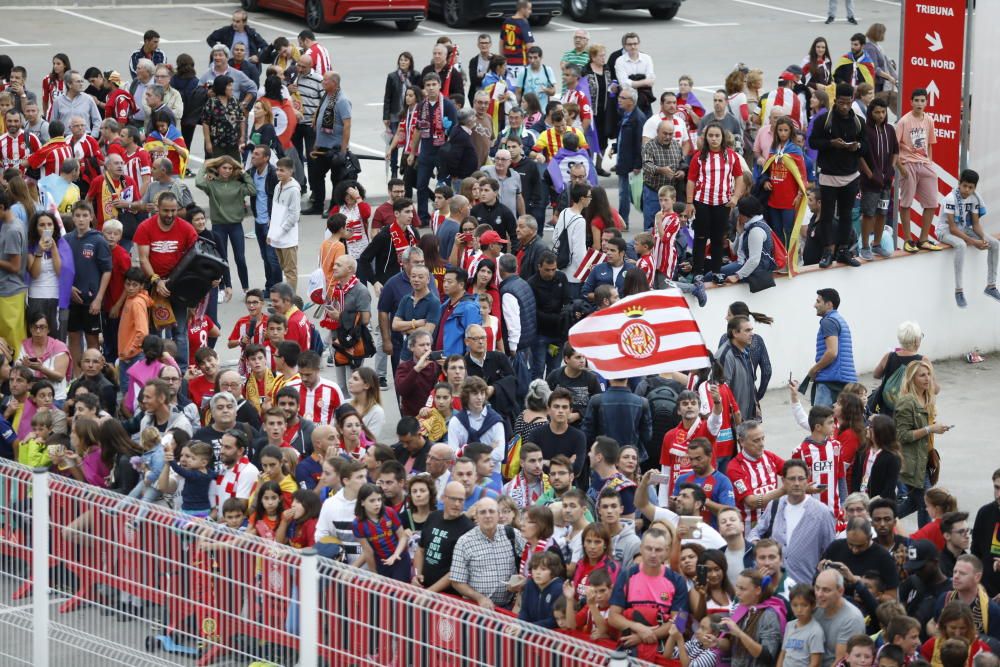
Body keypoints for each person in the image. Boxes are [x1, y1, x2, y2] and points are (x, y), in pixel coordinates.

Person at [134, 193, 198, 371]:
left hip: (178, 285)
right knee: (154, 332)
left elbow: (194, 259)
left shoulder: (186, 228)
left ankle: (181, 371)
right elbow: (143, 258)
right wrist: (156, 280)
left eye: (173, 210)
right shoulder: (145, 227)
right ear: (157, 208)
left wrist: (193, 297)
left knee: (180, 331)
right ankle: (154, 368)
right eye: (166, 211)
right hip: (153, 286)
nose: (170, 215)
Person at [607, 529, 689, 661]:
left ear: (667, 551)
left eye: (658, 550)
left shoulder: (678, 581)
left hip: (662, 652)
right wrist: (638, 628)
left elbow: (680, 622)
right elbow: (613, 617)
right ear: (641, 548)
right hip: (629, 650)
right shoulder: (626, 575)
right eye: (648, 548)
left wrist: (642, 636)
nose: (653, 554)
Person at [749, 459, 835, 584]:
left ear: (807, 480)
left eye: (801, 479)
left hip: (805, 588)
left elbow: (830, 551)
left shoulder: (823, 513)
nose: (796, 483)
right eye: (792, 479)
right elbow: (755, 533)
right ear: (783, 481)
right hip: (776, 588)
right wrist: (757, 544)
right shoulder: (775, 505)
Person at [808, 84, 866, 269]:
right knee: (826, 215)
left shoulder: (858, 122)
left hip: (850, 175)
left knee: (846, 215)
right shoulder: (824, 120)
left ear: (852, 102)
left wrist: (856, 146)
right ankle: (828, 251)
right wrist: (831, 143)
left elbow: (866, 146)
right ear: (835, 101)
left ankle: (843, 250)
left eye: (848, 103)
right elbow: (813, 142)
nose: (844, 107)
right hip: (828, 176)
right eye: (841, 103)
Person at [685, 122, 745, 277]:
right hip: (702, 202)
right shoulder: (699, 156)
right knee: (700, 237)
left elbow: (739, 177)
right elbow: (691, 180)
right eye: (710, 136)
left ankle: (717, 272)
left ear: (722, 137)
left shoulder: (731, 155)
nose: (714, 139)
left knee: (718, 238)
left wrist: (736, 197)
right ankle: (698, 271)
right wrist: (690, 202)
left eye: (717, 135)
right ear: (706, 138)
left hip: (723, 203)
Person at [895, 359, 949, 526]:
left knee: (913, 503)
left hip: (924, 459)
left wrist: (934, 428)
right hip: (911, 462)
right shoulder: (907, 402)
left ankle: (876, 522)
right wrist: (929, 429)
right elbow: (902, 435)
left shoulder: (927, 398)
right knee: (927, 503)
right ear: (912, 379)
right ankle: (924, 545)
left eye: (929, 375)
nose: (927, 379)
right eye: (922, 375)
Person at [935, 169, 1000, 308]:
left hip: (964, 229)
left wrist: (983, 238)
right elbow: (952, 228)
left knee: (994, 243)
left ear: (974, 188)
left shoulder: (975, 198)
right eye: (964, 186)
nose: (967, 190)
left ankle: (991, 286)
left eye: (971, 187)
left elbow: (976, 225)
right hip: (945, 231)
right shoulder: (950, 198)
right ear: (959, 184)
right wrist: (973, 242)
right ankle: (959, 291)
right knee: (961, 245)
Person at [450, 496, 525, 610]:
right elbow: (456, 581)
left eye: (491, 511)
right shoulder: (464, 542)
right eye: (483, 512)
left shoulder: (512, 534)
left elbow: (532, 559)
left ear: (498, 515)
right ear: (476, 516)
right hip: (477, 609)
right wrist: (479, 598)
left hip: (509, 608)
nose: (488, 516)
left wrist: (523, 581)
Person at [896, 88, 945, 253]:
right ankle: (908, 240)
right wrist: (900, 167)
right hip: (907, 164)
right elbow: (894, 147)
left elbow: (930, 143)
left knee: (932, 202)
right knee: (906, 203)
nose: (919, 103)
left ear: (926, 102)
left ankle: (923, 239)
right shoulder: (903, 121)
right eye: (916, 100)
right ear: (911, 102)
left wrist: (929, 162)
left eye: (922, 100)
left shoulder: (929, 120)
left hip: (924, 165)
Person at [414, 480, 475, 594]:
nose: (457, 504)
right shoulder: (433, 517)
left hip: (447, 595)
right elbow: (421, 550)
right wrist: (417, 575)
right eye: (453, 499)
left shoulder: (468, 529)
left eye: (461, 500)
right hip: (423, 588)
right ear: (443, 498)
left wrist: (430, 591)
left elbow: (456, 571)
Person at [727, 421, 785, 535]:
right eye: (756, 440)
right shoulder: (734, 467)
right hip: (751, 527)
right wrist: (784, 490)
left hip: (774, 522)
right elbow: (751, 502)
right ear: (742, 442)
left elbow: (791, 471)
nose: (762, 444)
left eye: (763, 438)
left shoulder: (769, 457)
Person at [807, 288, 858, 407]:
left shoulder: (828, 322)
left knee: (819, 420)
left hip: (831, 380)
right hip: (844, 380)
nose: (815, 305)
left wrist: (814, 370)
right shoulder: (839, 320)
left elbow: (832, 352)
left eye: (818, 302)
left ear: (829, 304)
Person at [813, 568, 867, 667]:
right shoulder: (815, 608)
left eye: (826, 590)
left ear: (840, 591)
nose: (819, 594)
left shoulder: (851, 618)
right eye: (817, 588)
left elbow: (840, 662)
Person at [614, 87, 646, 227]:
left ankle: (623, 222)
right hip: (623, 160)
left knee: (626, 194)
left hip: (630, 163)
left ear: (631, 102)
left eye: (622, 98)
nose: (619, 100)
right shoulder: (626, 114)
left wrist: (638, 164)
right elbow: (623, 137)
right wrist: (615, 148)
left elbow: (640, 143)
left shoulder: (637, 118)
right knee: (625, 193)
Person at [971, 469, 1000, 597]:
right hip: (985, 591)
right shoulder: (985, 513)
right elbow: (976, 550)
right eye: (997, 487)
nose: (999, 494)